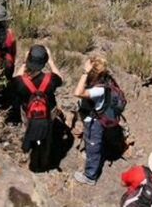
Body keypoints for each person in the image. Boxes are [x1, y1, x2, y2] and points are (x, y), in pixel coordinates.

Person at [10, 45, 63, 172]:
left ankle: (31, 154)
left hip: (29, 113)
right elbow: (60, 78)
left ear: (29, 59)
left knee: (29, 130)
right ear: (44, 61)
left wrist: (24, 62)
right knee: (47, 137)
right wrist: (51, 61)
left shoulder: (20, 81)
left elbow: (15, 80)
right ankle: (43, 161)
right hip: (48, 114)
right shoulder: (51, 80)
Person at [73, 56, 124, 185]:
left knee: (93, 146)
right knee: (96, 142)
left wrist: (85, 73)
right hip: (102, 115)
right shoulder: (107, 79)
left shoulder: (99, 89)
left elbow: (78, 92)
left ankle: (90, 176)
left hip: (95, 121)